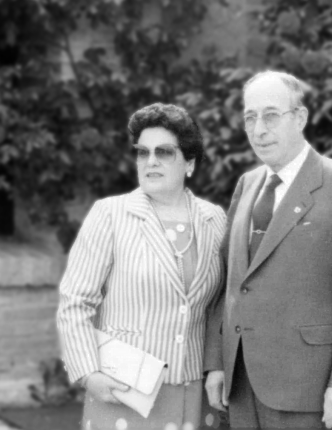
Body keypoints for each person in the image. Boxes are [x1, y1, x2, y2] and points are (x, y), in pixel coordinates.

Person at [204, 71, 332, 429]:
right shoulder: (247, 184)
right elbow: (229, 282)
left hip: (307, 385)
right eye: (250, 117)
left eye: (271, 115)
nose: (259, 129)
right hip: (239, 382)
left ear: (300, 118)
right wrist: (216, 361)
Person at [57, 103, 227, 430]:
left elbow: (220, 306)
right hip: (123, 391)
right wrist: (88, 373)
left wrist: (217, 366)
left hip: (194, 392)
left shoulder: (214, 219)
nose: (150, 161)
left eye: (164, 152)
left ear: (190, 163)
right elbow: (75, 301)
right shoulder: (110, 214)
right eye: (142, 152)